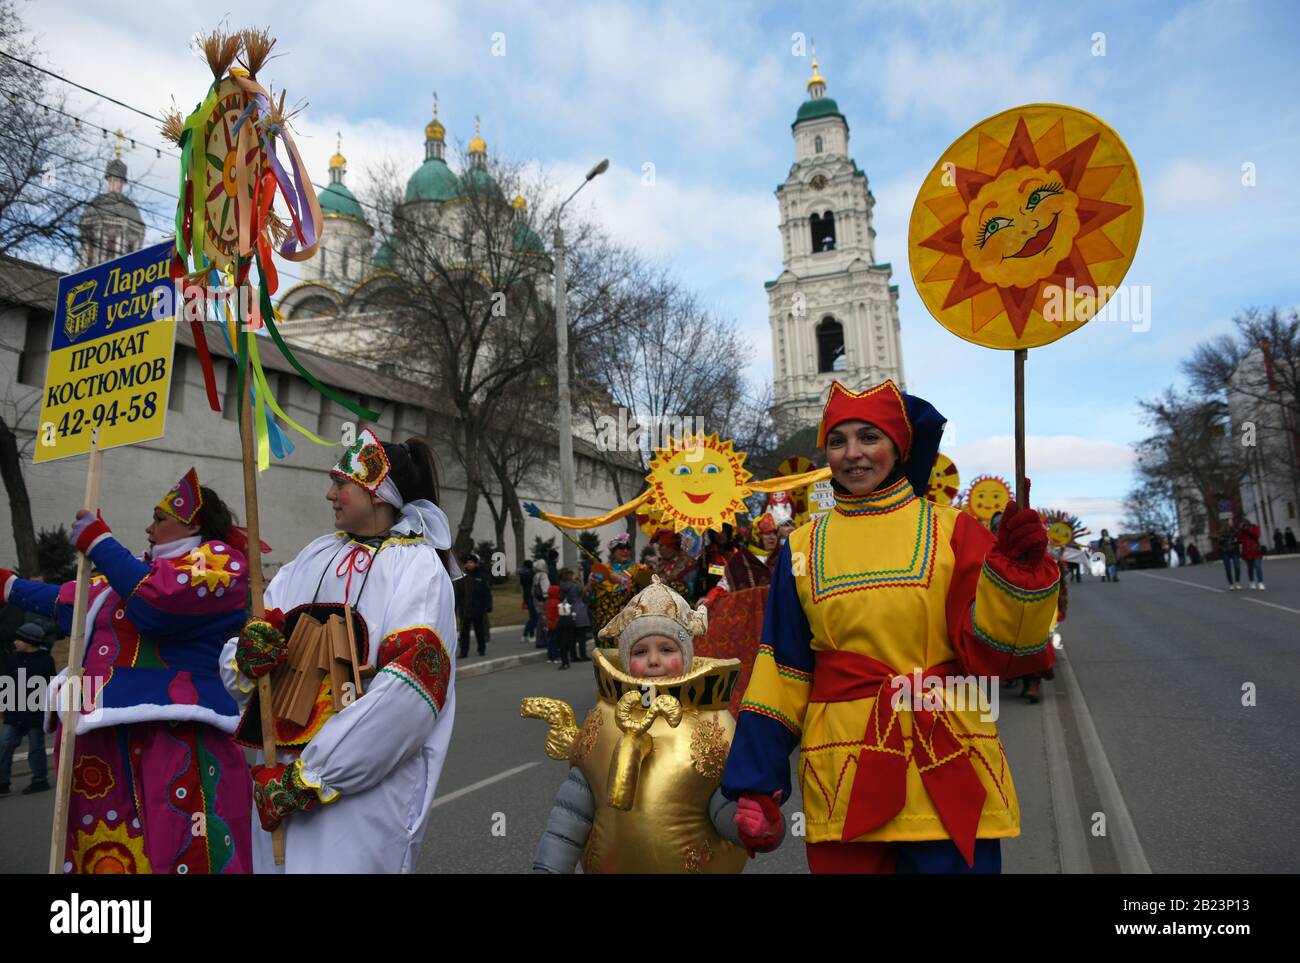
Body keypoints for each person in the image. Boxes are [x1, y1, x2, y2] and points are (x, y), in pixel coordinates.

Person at [721, 380, 1060, 874]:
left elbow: (1002, 655)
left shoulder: (955, 529)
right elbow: (782, 671)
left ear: (899, 448)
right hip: (844, 777)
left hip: (948, 765)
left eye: (869, 437)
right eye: (838, 441)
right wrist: (756, 781)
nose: (853, 454)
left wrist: (1019, 579)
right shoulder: (801, 548)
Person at [221, 430, 459, 873]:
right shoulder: (315, 556)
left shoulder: (418, 570)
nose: (330, 494)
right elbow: (251, 644)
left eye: (341, 484)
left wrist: (312, 777)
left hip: (358, 795)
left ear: (378, 493)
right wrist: (246, 658)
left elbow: (408, 695)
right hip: (279, 775)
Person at [1, 469, 254, 873]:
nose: (148, 527)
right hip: (100, 730)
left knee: (181, 846)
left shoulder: (220, 562)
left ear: (192, 523)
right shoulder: (132, 570)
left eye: (159, 518)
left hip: (177, 731)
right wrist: (8, 586)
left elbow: (158, 606)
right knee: (110, 850)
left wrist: (101, 542)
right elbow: (70, 601)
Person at [526, 576, 761, 873]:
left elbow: (722, 807)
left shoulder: (713, 722)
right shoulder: (604, 719)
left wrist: (753, 824)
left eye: (667, 649)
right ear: (625, 659)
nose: (653, 661)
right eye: (640, 652)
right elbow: (570, 815)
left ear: (686, 656)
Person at [0, 621, 56, 795]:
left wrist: (51, 708)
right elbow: (6, 683)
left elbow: (51, 685)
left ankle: (40, 779)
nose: (15, 642)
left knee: (36, 746)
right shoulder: (12, 659)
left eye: (19, 639)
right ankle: (3, 782)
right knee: (5, 744)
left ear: (29, 642)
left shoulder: (45, 661)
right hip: (14, 710)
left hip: (35, 711)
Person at [456, 552, 493, 657]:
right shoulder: (462, 577)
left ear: (476, 564)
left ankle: (481, 649)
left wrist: (488, 606)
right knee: (464, 633)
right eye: (467, 563)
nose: (469, 564)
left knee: (479, 631)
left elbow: (486, 592)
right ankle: (463, 652)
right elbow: (458, 593)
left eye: (471, 562)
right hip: (465, 609)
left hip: (478, 609)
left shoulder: (481, 577)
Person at [647, 529, 699, 602]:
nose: (658, 549)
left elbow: (691, 589)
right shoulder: (662, 563)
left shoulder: (688, 563)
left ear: (671, 546)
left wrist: (669, 585)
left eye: (662, 545)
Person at [558, 568, 590, 662]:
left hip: (568, 612)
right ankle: (583, 655)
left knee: (571, 636)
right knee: (581, 636)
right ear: (569, 576)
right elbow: (584, 594)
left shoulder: (562, 586)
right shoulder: (575, 586)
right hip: (579, 610)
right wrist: (580, 580)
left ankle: (573, 656)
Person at [1237, 518, 1265, 591]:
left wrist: (1248, 529)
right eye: (1243, 524)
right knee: (1250, 568)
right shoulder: (1242, 531)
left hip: (1256, 550)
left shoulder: (1255, 528)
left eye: (1245, 524)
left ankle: (1260, 583)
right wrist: (1241, 530)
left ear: (1248, 523)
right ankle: (1251, 581)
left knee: (1258, 566)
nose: (1244, 526)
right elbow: (1239, 539)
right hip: (1247, 552)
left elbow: (1257, 535)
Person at [532, 558, 551, 655]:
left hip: (537, 600)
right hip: (543, 600)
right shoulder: (543, 575)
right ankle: (544, 640)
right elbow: (545, 589)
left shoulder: (536, 575)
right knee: (544, 620)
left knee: (540, 620)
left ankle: (539, 640)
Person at [545, 582, 567, 669]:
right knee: (556, 641)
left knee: (550, 641)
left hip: (550, 624)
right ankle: (556, 656)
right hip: (556, 624)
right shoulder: (557, 603)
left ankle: (550, 656)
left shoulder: (548, 602)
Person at [1217, 523, 1242, 590]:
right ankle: (1231, 584)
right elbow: (1219, 542)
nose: (1231, 522)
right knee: (1228, 569)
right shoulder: (1222, 532)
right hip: (1225, 551)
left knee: (1237, 567)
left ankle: (1237, 582)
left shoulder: (1235, 531)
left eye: (1231, 521)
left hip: (1234, 551)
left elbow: (1239, 540)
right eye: (1229, 521)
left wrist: (1236, 541)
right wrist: (1224, 540)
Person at [518, 559, 538, 642]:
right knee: (534, 617)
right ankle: (528, 634)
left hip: (526, 596)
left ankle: (529, 635)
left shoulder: (522, 574)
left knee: (532, 616)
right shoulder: (530, 574)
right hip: (532, 596)